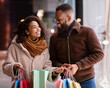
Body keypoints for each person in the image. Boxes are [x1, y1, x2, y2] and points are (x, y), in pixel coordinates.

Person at [49, 4, 104, 88]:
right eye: (56, 19)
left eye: (59, 19)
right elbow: (52, 59)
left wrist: (78, 66)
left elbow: (99, 54)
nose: (56, 22)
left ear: (69, 18)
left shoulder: (87, 32)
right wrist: (61, 66)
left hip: (86, 81)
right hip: (64, 82)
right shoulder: (54, 38)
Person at [2, 16, 64, 88]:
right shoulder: (15, 46)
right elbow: (5, 67)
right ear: (27, 31)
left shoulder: (43, 48)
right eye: (34, 27)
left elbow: (46, 67)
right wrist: (15, 67)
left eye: (39, 26)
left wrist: (55, 71)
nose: (38, 29)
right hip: (21, 86)